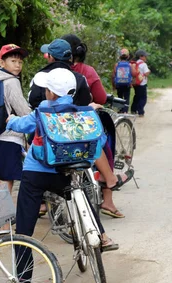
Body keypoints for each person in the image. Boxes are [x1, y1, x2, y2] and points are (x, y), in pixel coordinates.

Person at [7, 69, 119, 274]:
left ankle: (23, 280)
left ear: (49, 92)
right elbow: (100, 140)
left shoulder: (41, 112)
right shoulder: (82, 112)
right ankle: (102, 236)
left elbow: (22, 125)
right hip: (64, 172)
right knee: (82, 197)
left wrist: (10, 120)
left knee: (24, 227)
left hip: (36, 173)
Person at [61, 34, 131, 219]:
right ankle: (108, 195)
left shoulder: (50, 72)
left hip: (55, 124)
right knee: (106, 143)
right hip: (81, 123)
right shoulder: (86, 71)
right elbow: (100, 98)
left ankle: (43, 203)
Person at [0, 44, 32, 215]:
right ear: (1, 62)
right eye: (13, 61)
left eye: (20, 61)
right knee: (5, 183)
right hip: (8, 138)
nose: (17, 65)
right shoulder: (11, 81)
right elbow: (24, 111)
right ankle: (3, 231)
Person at [28, 38, 92, 109]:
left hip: (43, 119)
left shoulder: (40, 78)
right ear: (70, 58)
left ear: (51, 57)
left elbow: (32, 101)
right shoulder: (81, 79)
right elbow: (85, 102)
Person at [130, 50, 150, 117]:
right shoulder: (143, 64)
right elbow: (146, 73)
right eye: (145, 56)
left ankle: (133, 110)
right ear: (141, 56)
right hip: (142, 83)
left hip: (135, 83)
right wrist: (149, 71)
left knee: (137, 96)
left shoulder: (133, 63)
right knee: (143, 98)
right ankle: (140, 111)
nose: (146, 57)